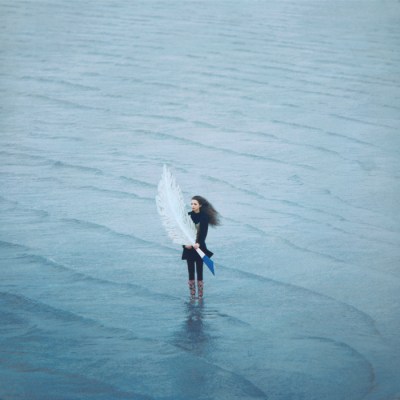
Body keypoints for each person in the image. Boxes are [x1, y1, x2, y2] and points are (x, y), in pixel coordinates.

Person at [182, 195, 220, 300]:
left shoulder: (204, 217)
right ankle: (192, 295)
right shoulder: (187, 216)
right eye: (191, 204)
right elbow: (182, 233)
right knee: (190, 272)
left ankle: (200, 296)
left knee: (199, 271)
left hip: (199, 248)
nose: (193, 206)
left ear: (200, 205)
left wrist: (198, 243)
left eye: (195, 204)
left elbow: (203, 233)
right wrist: (185, 245)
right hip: (189, 248)